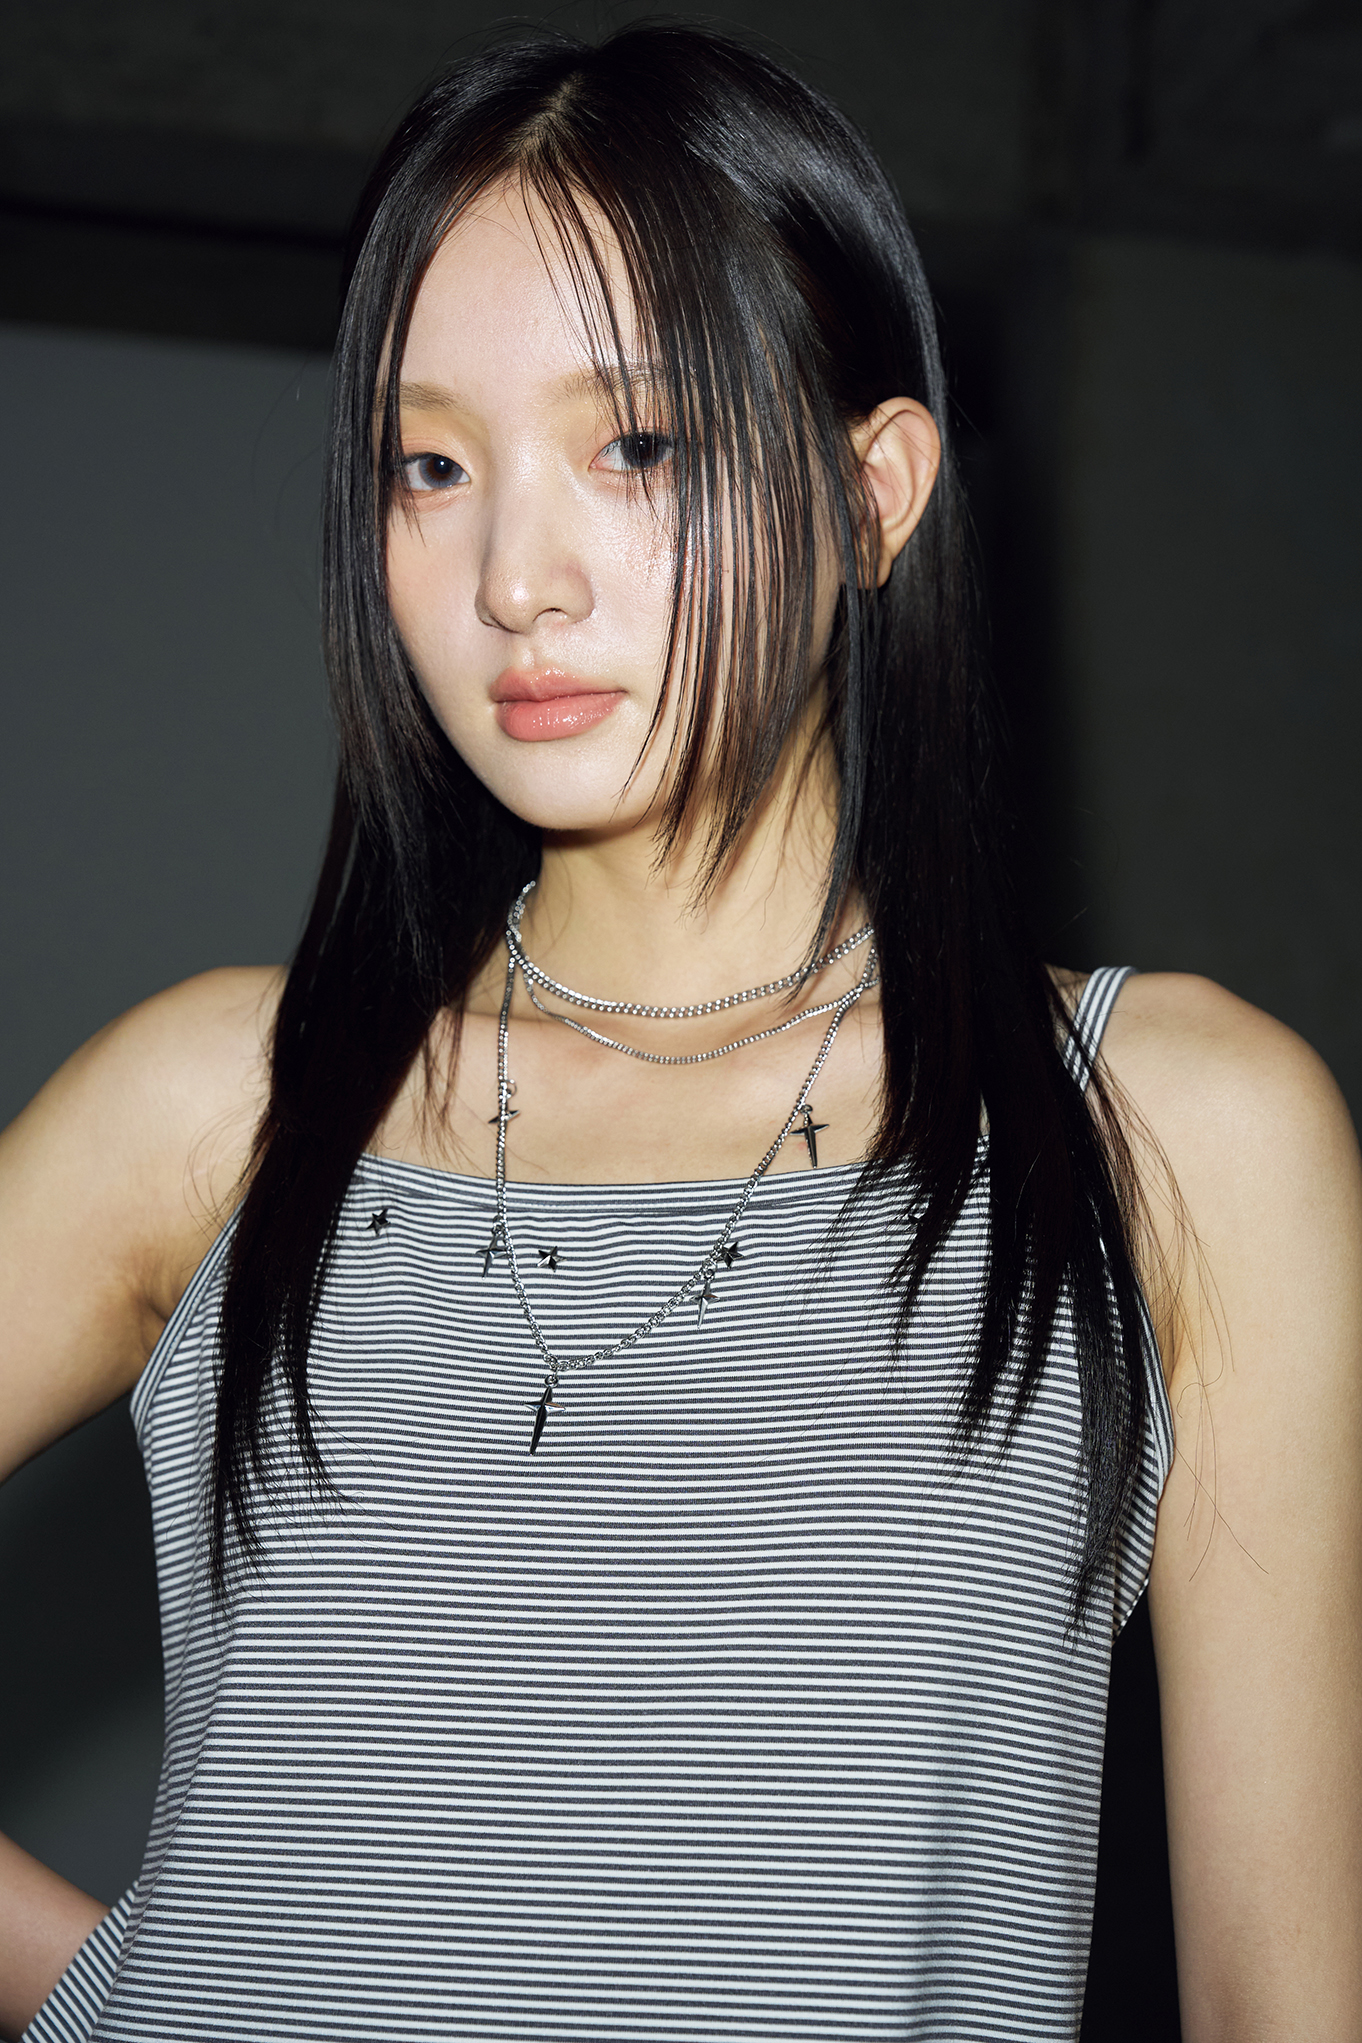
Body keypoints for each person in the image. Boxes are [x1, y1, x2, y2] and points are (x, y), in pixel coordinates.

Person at [1, 23, 1358, 2042]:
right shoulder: (225, 1101)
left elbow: (1283, 2003)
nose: (513, 580)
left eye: (635, 445)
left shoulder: (1172, 1134)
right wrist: (114, 1988)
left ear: (874, 492)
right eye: (428, 465)